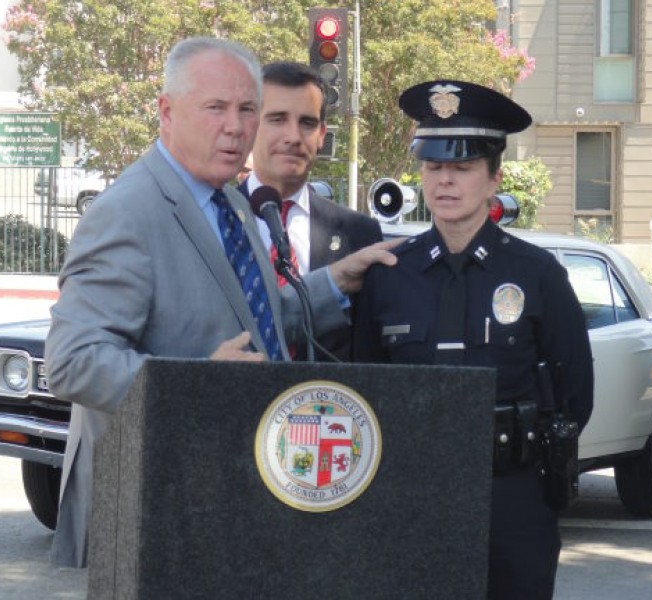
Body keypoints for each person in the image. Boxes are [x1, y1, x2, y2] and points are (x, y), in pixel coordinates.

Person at [45, 37, 398, 568]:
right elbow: (73, 363)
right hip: (155, 510)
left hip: (230, 500)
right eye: (215, 108)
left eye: (247, 109)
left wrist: (334, 282)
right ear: (167, 111)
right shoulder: (126, 213)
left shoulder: (231, 201)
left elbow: (251, 322)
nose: (235, 126)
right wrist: (196, 382)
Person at [352, 80, 594, 599]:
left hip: (513, 492)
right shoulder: (390, 274)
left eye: (462, 167)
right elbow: (365, 386)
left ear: (493, 178)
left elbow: (576, 393)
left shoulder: (537, 274)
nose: (445, 180)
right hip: (410, 493)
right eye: (433, 167)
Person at [238, 61, 382, 360]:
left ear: (321, 135)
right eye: (277, 119)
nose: (293, 136)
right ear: (250, 126)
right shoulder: (213, 219)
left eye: (307, 123)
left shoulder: (358, 234)